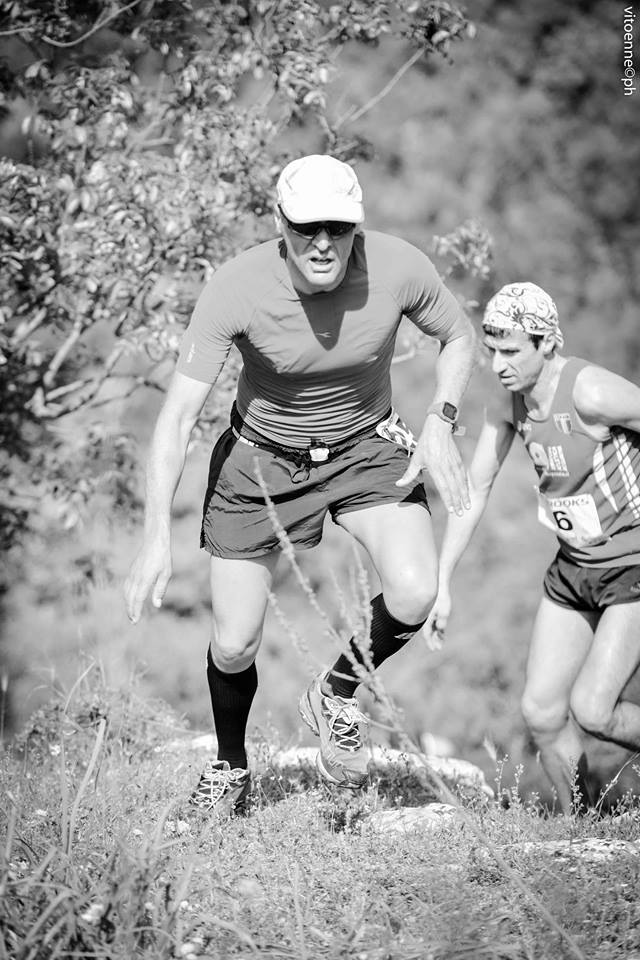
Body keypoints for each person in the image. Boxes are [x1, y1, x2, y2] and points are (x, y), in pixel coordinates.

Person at [124, 154, 475, 812]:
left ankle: (335, 691)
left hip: (365, 444)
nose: (322, 243)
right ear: (279, 222)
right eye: (306, 226)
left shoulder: (397, 266)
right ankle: (230, 767)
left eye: (338, 227)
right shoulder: (238, 287)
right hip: (260, 460)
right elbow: (176, 419)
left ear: (356, 227)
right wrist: (154, 539)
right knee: (235, 643)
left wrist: (440, 419)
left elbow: (458, 336)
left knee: (415, 590)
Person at [427, 281, 640, 813]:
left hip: (631, 566)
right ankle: (583, 827)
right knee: (542, 713)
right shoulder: (507, 404)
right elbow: (474, 490)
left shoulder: (592, 393)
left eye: (511, 351)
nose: (498, 365)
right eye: (492, 351)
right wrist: (442, 582)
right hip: (573, 568)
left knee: (593, 709)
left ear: (546, 343)